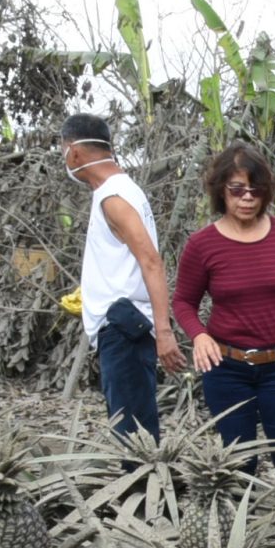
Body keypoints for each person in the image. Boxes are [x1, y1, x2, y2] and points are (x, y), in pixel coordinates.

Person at [172, 143, 275, 500]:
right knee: (237, 460)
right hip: (226, 369)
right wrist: (199, 335)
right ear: (220, 191)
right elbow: (183, 301)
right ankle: (235, 540)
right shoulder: (202, 245)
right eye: (236, 189)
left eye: (255, 189)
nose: (247, 198)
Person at [63, 113, 184, 440]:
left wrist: (164, 330)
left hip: (124, 328)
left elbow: (151, 262)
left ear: (73, 151)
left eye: (63, 151)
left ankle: (144, 487)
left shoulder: (114, 197)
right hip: (121, 324)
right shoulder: (116, 191)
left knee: (132, 433)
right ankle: (144, 484)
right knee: (133, 423)